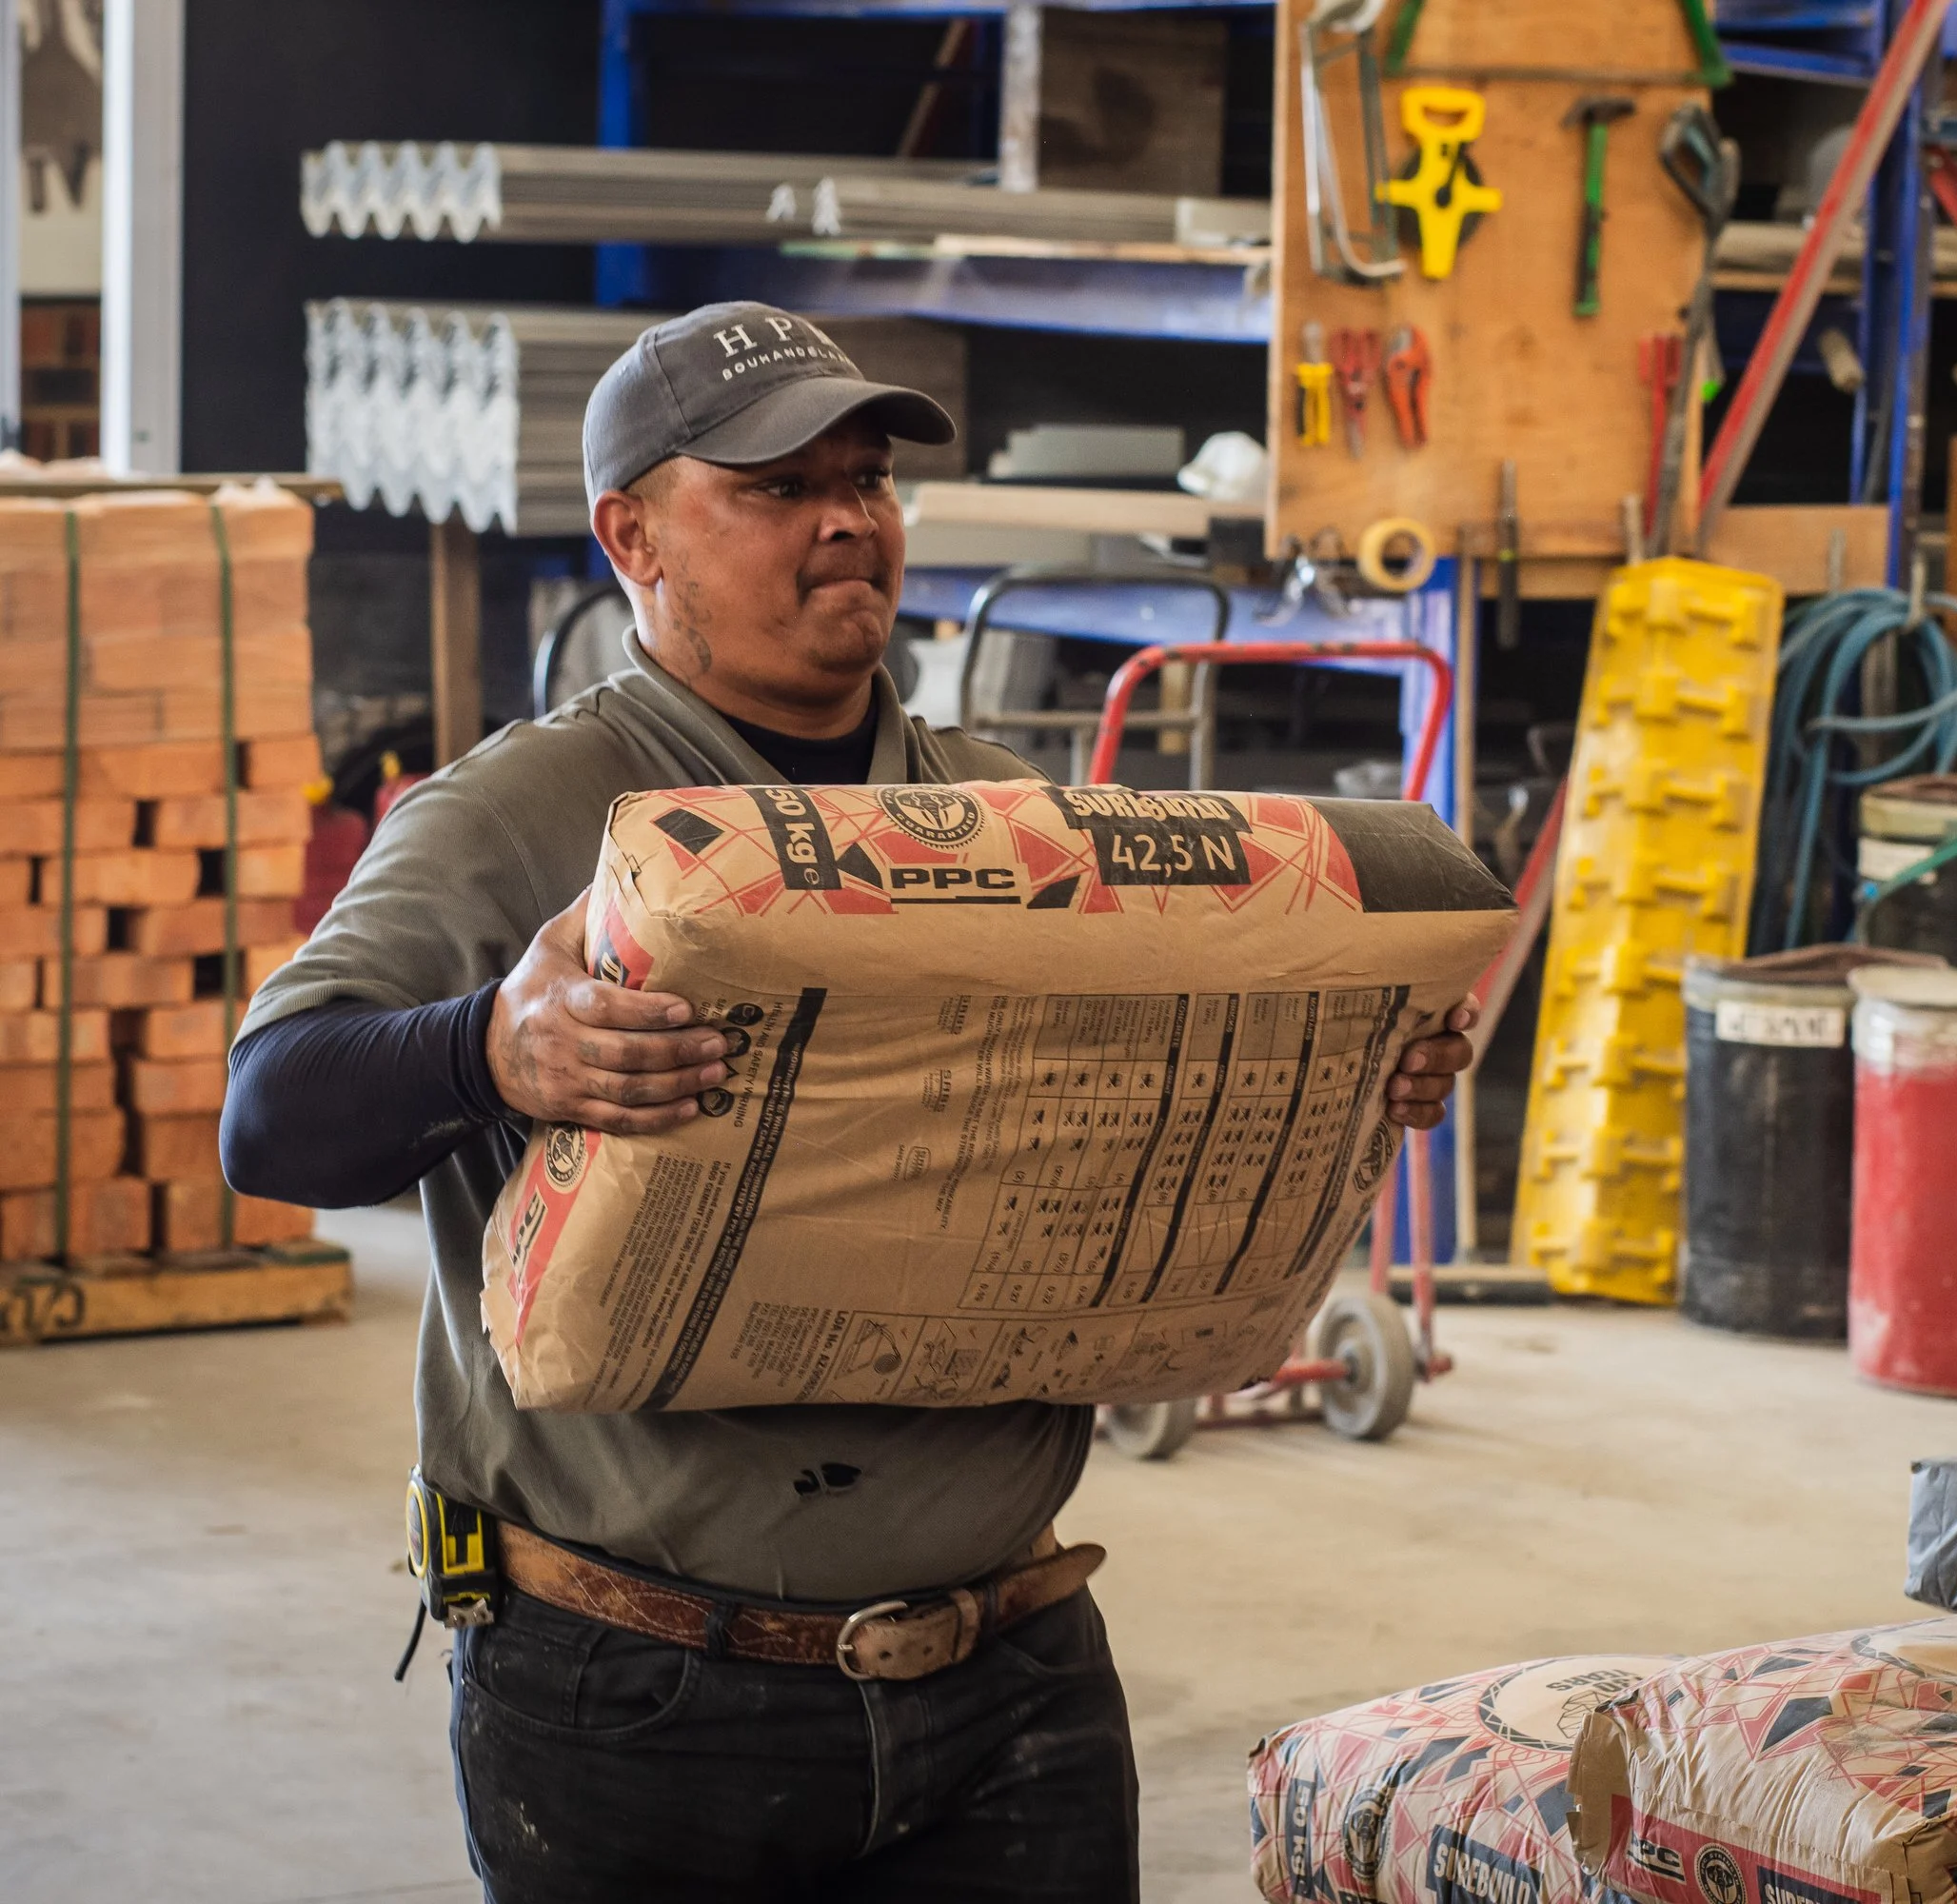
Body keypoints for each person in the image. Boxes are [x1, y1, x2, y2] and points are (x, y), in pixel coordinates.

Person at [223, 302, 1477, 1903]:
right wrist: (492, 1049)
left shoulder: (1008, 820)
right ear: (633, 537)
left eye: (869, 479)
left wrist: (1354, 1067)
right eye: (774, 486)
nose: (845, 523)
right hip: (641, 1698)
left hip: (1013, 1677)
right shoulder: (521, 815)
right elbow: (269, 1118)